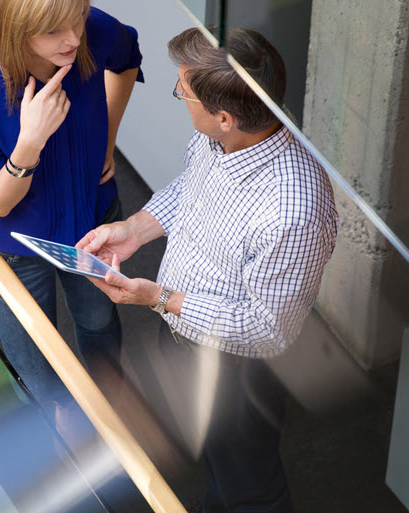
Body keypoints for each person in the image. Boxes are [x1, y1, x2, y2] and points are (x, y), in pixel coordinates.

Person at [77, 27, 338, 513]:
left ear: (224, 117)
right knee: (215, 464)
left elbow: (267, 331)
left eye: (184, 93)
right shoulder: (219, 141)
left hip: (238, 371)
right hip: (183, 334)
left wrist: (157, 298)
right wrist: (133, 229)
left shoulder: (294, 210)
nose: (179, 96)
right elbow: (191, 193)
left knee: (248, 489)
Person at [0, 0, 143, 409]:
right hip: (17, 242)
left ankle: (110, 415)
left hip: (90, 215)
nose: (73, 38)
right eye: (54, 31)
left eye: (77, 17)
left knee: (98, 323)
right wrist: (30, 142)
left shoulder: (87, 31)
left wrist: (106, 139)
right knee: (35, 367)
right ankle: (58, 443)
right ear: (16, 29)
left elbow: (127, 56)